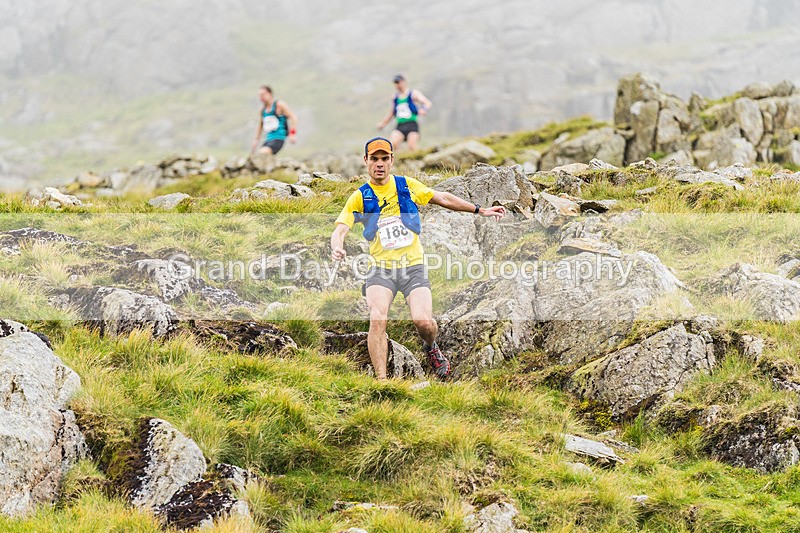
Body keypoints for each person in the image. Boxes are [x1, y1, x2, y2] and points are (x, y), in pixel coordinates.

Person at [330, 137, 506, 380]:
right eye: (374, 159)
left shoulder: (406, 186)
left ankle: (431, 346)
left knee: (424, 322)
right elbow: (340, 229)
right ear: (365, 161)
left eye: (384, 159)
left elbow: (443, 198)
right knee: (377, 318)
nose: (379, 164)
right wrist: (337, 247)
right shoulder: (360, 197)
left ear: (391, 160)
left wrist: (480, 210)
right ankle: (382, 381)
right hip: (381, 270)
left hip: (413, 267)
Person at [376, 74, 433, 152]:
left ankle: (422, 158)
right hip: (400, 125)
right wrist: (383, 123)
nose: (397, 85)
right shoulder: (395, 97)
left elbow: (427, 103)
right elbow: (392, 112)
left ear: (403, 82)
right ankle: (400, 158)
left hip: (412, 124)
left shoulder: (413, 93)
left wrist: (424, 109)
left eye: (399, 82)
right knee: (392, 143)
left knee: (412, 146)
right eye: (396, 83)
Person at [251, 85, 297, 155]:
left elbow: (293, 117)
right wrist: (256, 139)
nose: (261, 97)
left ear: (270, 94)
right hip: (268, 139)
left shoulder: (279, 105)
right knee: (257, 156)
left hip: (278, 138)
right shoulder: (262, 110)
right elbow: (260, 125)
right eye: (259, 95)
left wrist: (292, 134)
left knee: (263, 153)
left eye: (263, 95)